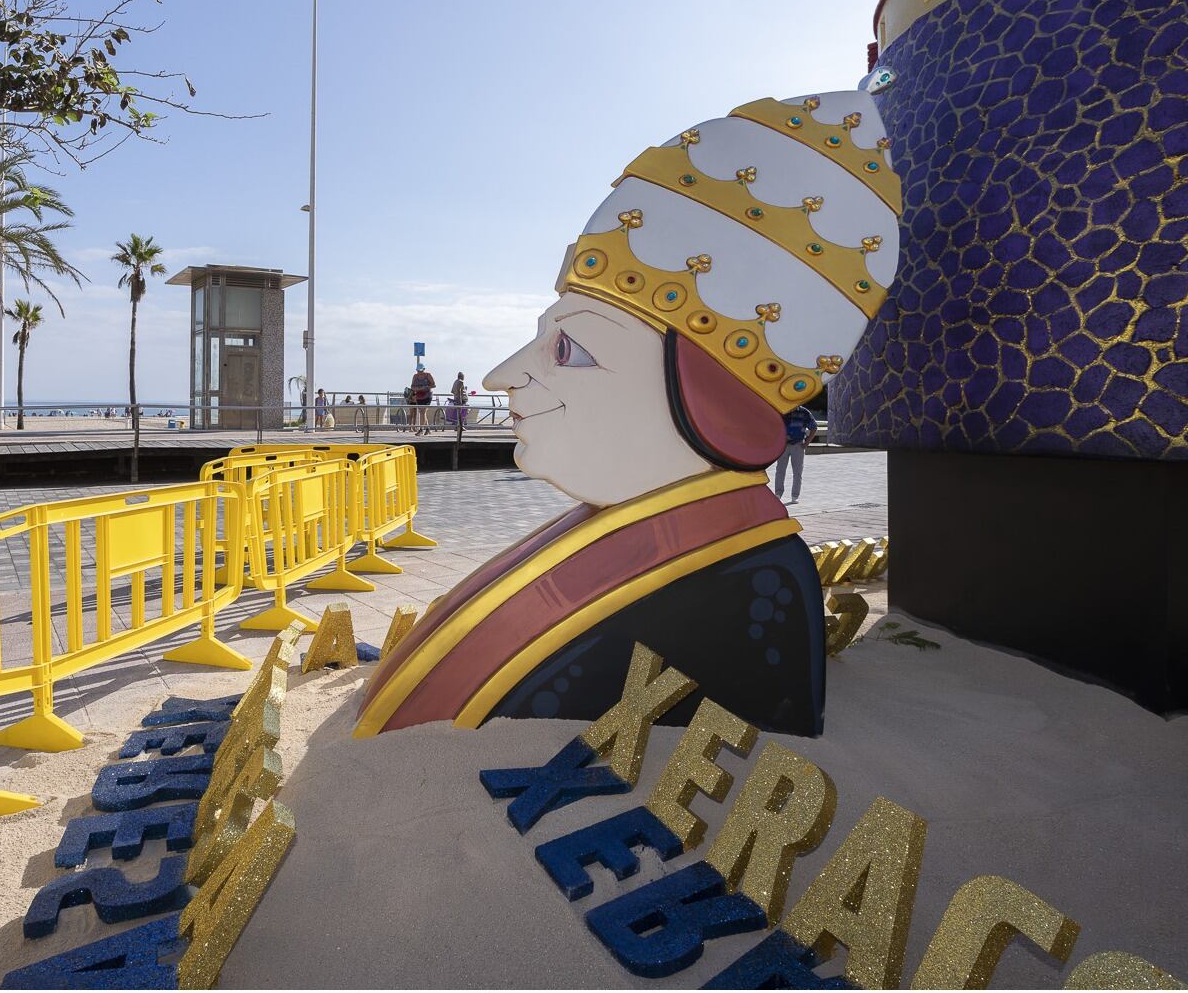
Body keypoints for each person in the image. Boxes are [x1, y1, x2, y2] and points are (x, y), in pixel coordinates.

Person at [357, 74, 901, 740]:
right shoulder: (631, 536)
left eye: (572, 350)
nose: (502, 377)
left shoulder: (751, 586)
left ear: (710, 406)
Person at [776, 404, 819, 503]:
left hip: (798, 445)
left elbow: (814, 427)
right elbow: (774, 426)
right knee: (780, 470)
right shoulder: (782, 411)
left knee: (797, 472)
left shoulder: (804, 412)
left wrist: (806, 443)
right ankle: (778, 494)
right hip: (783, 446)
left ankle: (795, 496)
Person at [410, 365, 435, 434]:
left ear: (424, 369)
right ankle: (427, 429)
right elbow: (412, 386)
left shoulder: (428, 375)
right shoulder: (415, 376)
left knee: (423, 412)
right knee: (422, 413)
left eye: (421, 370)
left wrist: (425, 387)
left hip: (427, 396)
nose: (419, 372)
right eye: (418, 371)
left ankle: (421, 429)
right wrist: (417, 389)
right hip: (419, 396)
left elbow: (434, 385)